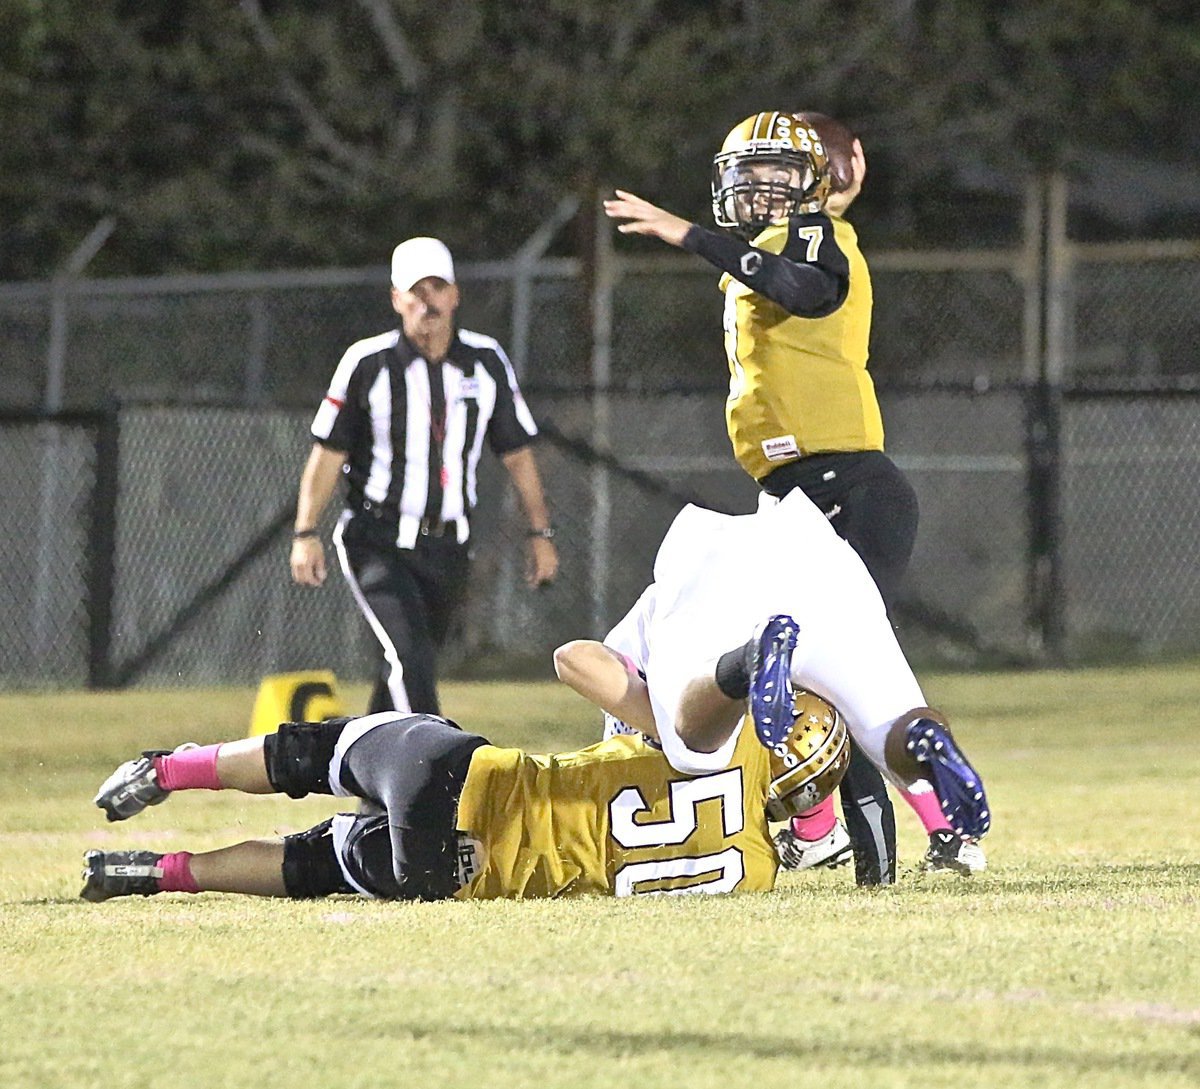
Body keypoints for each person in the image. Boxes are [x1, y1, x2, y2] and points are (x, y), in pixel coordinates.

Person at [603, 111, 956, 883]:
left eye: (778, 175)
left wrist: (685, 234)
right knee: (807, 662)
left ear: (822, 181)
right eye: (750, 176)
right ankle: (864, 824)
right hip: (800, 492)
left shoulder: (810, 239)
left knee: (833, 664)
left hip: (841, 487)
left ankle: (885, 841)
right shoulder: (773, 242)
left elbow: (804, 287)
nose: (761, 191)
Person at [80, 684, 849, 903]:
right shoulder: (753, 869)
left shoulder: (695, 737)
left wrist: (652, 711)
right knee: (311, 866)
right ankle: (160, 872)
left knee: (306, 754)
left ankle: (169, 769)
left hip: (451, 772)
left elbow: (578, 657)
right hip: (462, 870)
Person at [554, 491, 988, 876]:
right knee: (888, 725)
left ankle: (748, 660)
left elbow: (573, 658)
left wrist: (661, 729)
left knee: (690, 743)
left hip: (717, 571)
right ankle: (919, 745)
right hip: (812, 548)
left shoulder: (635, 761)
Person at [289, 236, 558, 717]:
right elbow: (328, 454)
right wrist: (305, 532)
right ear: (397, 299)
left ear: (455, 295)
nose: (427, 300)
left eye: (437, 287)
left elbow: (517, 454)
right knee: (409, 662)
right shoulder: (366, 364)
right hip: (379, 537)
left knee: (404, 669)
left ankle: (374, 789)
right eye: (416, 290)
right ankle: (436, 775)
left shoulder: (486, 361)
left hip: (449, 546)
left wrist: (540, 533)